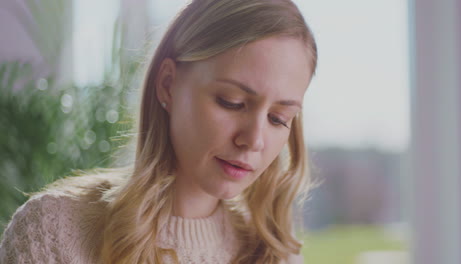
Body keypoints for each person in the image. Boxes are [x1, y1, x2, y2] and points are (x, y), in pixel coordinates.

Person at [0, 0, 318, 263]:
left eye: (278, 118)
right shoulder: (54, 232)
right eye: (231, 102)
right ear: (168, 84)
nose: (254, 140)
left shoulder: (277, 256)